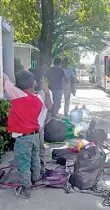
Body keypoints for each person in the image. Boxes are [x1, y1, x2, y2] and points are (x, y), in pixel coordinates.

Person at [3, 71, 50, 199]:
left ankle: (26, 188)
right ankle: (35, 179)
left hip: (23, 137)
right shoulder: (38, 99)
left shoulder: (17, 95)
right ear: (32, 83)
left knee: (23, 163)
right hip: (35, 135)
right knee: (35, 159)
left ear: (18, 84)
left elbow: (5, 81)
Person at [29, 68, 53, 174]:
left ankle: (41, 170)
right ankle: (32, 171)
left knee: (39, 148)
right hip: (26, 126)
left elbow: (49, 105)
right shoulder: (25, 92)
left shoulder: (44, 92)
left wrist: (46, 91)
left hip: (39, 126)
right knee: (30, 150)